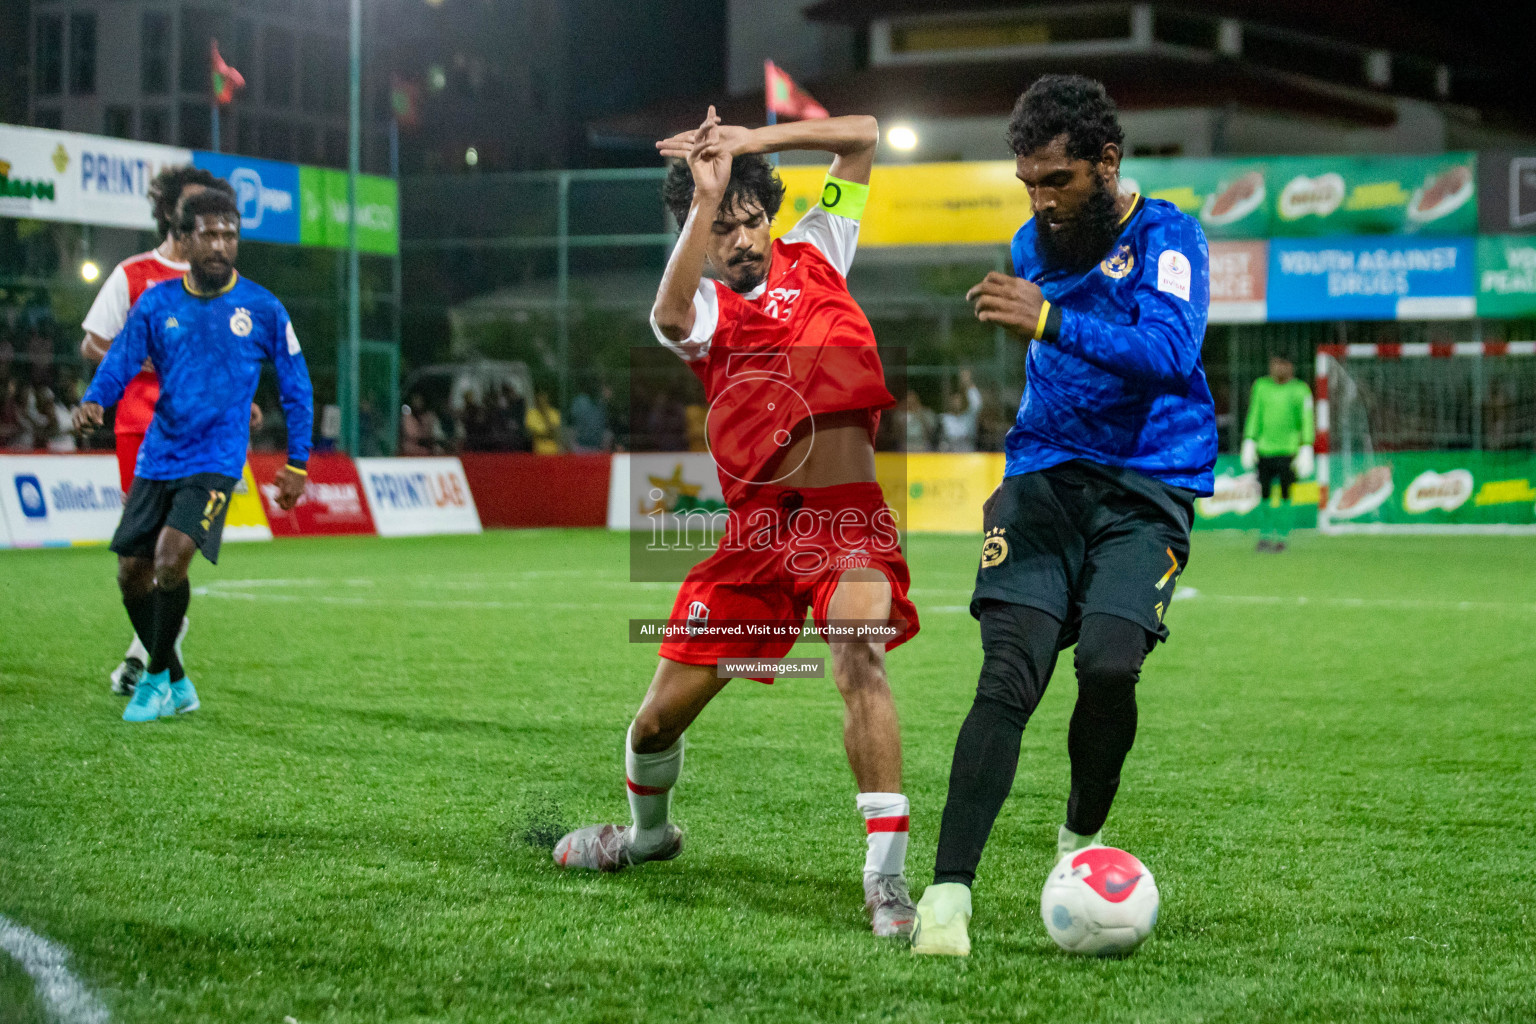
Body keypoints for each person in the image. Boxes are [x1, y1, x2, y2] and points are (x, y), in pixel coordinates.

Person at [552, 107, 923, 939]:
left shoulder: (823, 248)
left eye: (750, 219)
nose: (742, 238)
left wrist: (747, 146)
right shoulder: (710, 309)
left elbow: (862, 135)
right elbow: (671, 317)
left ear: (771, 216)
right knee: (653, 724)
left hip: (843, 520)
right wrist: (703, 199)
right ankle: (649, 838)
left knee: (859, 653)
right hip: (754, 538)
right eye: (723, 229)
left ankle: (887, 882)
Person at [909, 75, 1216, 956]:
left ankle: (1078, 841)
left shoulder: (1170, 236)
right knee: (1009, 674)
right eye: (1028, 184)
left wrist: (1049, 318)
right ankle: (947, 896)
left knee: (1111, 668)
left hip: (1147, 484)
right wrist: (1042, 315)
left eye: (1058, 181)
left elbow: (1168, 351)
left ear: (1107, 164)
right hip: (1043, 474)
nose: (1041, 203)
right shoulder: (1029, 240)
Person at [73, 188, 312, 723]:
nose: (221, 244)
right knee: (130, 574)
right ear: (185, 239)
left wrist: (297, 462)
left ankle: (154, 678)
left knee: (169, 559)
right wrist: (95, 399)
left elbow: (297, 386)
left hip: (216, 459)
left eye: (230, 234)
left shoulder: (263, 307)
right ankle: (177, 680)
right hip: (158, 455)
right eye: (210, 234)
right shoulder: (157, 303)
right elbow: (120, 360)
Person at [79, 165, 256, 698]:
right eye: (198, 210)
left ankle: (148, 660)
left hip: (205, 435)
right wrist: (151, 363)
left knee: (173, 548)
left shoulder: (224, 284)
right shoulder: (135, 275)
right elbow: (92, 344)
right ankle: (161, 656)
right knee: (139, 558)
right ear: (173, 216)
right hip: (141, 427)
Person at [1241, 355, 1314, 552]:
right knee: (1264, 493)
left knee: (1285, 494)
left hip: (1289, 450)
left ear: (1289, 366)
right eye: (1274, 364)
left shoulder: (1300, 390)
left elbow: (1306, 418)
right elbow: (1254, 414)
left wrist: (1307, 445)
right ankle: (1264, 535)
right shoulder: (1261, 387)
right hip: (1264, 450)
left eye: (1281, 364)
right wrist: (1249, 439)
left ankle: (1282, 536)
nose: (1277, 368)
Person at [937, 369, 982, 452]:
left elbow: (977, 404)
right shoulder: (944, 418)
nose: (956, 402)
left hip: (967, 453)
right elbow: (939, 439)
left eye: (958, 400)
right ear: (950, 401)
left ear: (963, 401)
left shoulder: (968, 417)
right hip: (950, 454)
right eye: (954, 400)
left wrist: (968, 383)